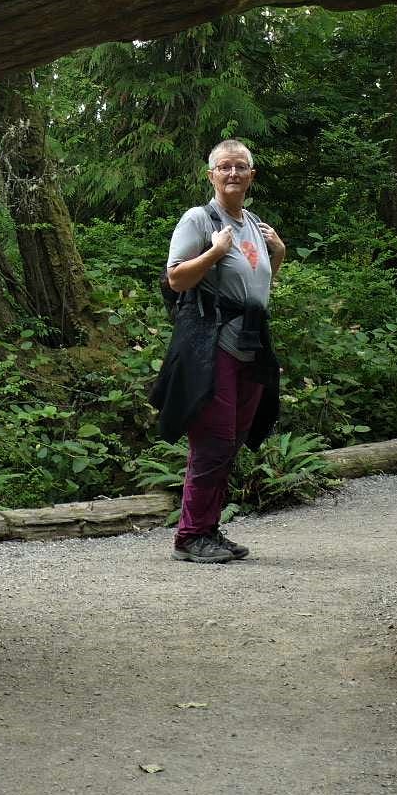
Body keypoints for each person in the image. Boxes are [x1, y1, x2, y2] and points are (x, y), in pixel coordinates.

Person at [150, 138, 290, 564]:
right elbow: (176, 279)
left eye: (240, 167)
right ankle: (190, 536)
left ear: (252, 175)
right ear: (211, 174)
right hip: (211, 346)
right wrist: (214, 252)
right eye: (224, 166)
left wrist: (279, 253)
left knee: (232, 441)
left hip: (251, 344)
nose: (233, 173)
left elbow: (257, 283)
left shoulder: (254, 224)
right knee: (213, 441)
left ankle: (208, 529)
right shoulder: (199, 219)